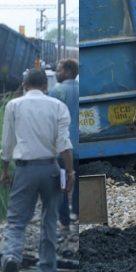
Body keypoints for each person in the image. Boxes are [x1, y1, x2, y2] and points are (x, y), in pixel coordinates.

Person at [0, 68, 74, 272]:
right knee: (49, 220)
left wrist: (5, 171)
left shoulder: (14, 106)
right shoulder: (57, 106)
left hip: (25, 170)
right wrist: (69, 172)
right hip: (51, 168)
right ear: (45, 86)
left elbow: (7, 143)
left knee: (16, 221)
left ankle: (12, 257)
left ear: (24, 86)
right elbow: (64, 144)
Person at [49, 58, 80, 225]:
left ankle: (64, 220)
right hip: (81, 148)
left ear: (68, 72)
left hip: (63, 149)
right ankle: (77, 211)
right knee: (79, 182)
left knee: (62, 183)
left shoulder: (56, 92)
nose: (56, 73)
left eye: (59, 70)